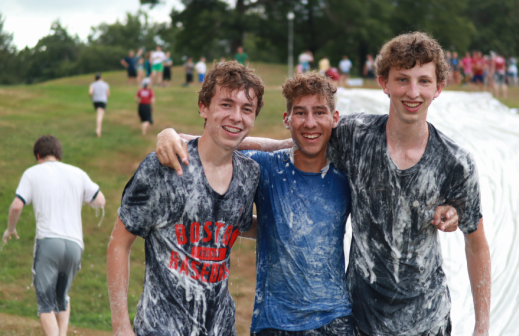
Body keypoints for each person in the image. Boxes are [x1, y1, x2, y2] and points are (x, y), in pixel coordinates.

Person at [156, 32, 489, 336]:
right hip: (360, 316)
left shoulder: (455, 163)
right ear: (384, 83)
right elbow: (288, 143)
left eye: (423, 81)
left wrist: (482, 327)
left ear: (438, 87)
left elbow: (477, 244)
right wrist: (177, 136)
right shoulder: (356, 136)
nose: (412, 92)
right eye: (402, 79)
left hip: (426, 319)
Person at [107, 61, 264, 336]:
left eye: (246, 109)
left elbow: (235, 224)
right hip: (161, 328)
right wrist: (121, 327)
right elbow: (119, 243)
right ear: (203, 107)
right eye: (226, 104)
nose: (237, 117)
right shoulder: (165, 167)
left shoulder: (249, 175)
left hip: (221, 328)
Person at [3, 135, 105, 336]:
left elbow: (16, 205)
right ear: (59, 155)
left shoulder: (32, 173)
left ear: (38, 155)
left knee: (46, 303)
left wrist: (10, 228)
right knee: (62, 298)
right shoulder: (77, 173)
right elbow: (100, 200)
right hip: (75, 245)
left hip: (49, 243)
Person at [88, 73, 110, 138]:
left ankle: (98, 129)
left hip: (95, 101)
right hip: (102, 101)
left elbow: (90, 92)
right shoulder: (105, 84)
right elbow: (108, 94)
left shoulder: (93, 84)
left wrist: (92, 98)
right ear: (101, 78)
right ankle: (98, 129)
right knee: (100, 116)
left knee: (98, 114)